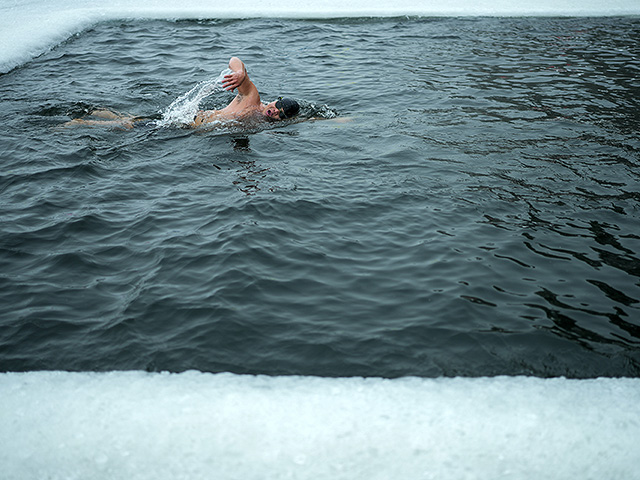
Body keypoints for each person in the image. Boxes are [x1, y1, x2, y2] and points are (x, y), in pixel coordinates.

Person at [65, 57, 300, 129]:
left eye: (279, 115)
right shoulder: (252, 99)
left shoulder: (259, 120)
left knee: (131, 122)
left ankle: (94, 112)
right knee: (127, 127)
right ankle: (78, 123)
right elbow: (235, 60)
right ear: (275, 100)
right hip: (187, 122)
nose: (274, 112)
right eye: (277, 107)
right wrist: (239, 73)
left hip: (186, 122)